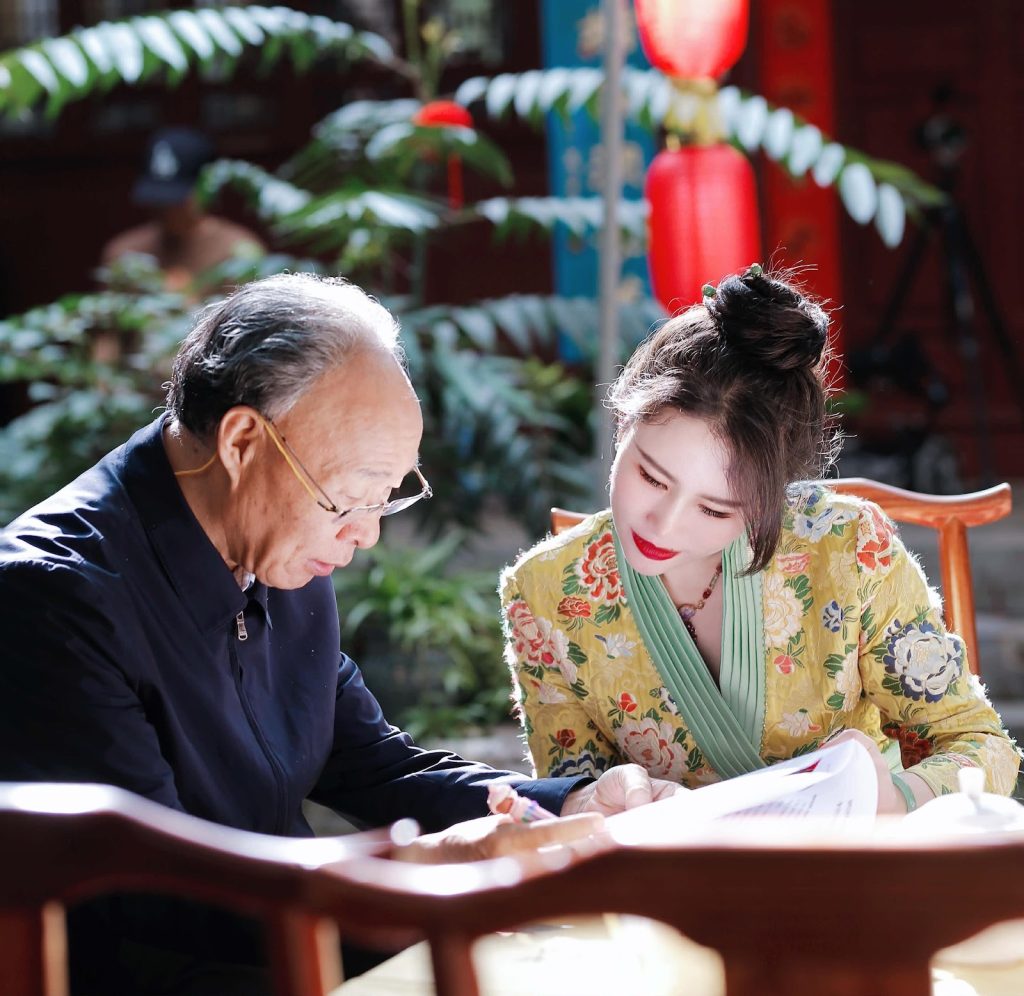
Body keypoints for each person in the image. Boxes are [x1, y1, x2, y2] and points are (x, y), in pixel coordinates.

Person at [0, 273, 675, 995]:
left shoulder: (271, 534)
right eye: (351, 497)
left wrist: (563, 805)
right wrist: (414, 873)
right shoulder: (53, 595)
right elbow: (153, 896)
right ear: (243, 441)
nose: (367, 534)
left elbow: (370, 763)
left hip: (309, 945)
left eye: (385, 499)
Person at [502, 264, 1020, 815]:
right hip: (679, 887)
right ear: (623, 423)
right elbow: (570, 797)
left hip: (854, 871)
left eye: (713, 507)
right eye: (650, 477)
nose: (664, 523)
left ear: (768, 500)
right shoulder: (544, 591)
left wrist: (892, 797)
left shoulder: (847, 550)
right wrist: (608, 798)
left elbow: (980, 746)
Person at [100, 126, 265, 294]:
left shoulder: (237, 251)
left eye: (176, 201)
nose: (165, 209)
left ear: (205, 188)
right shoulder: (124, 253)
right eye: (157, 198)